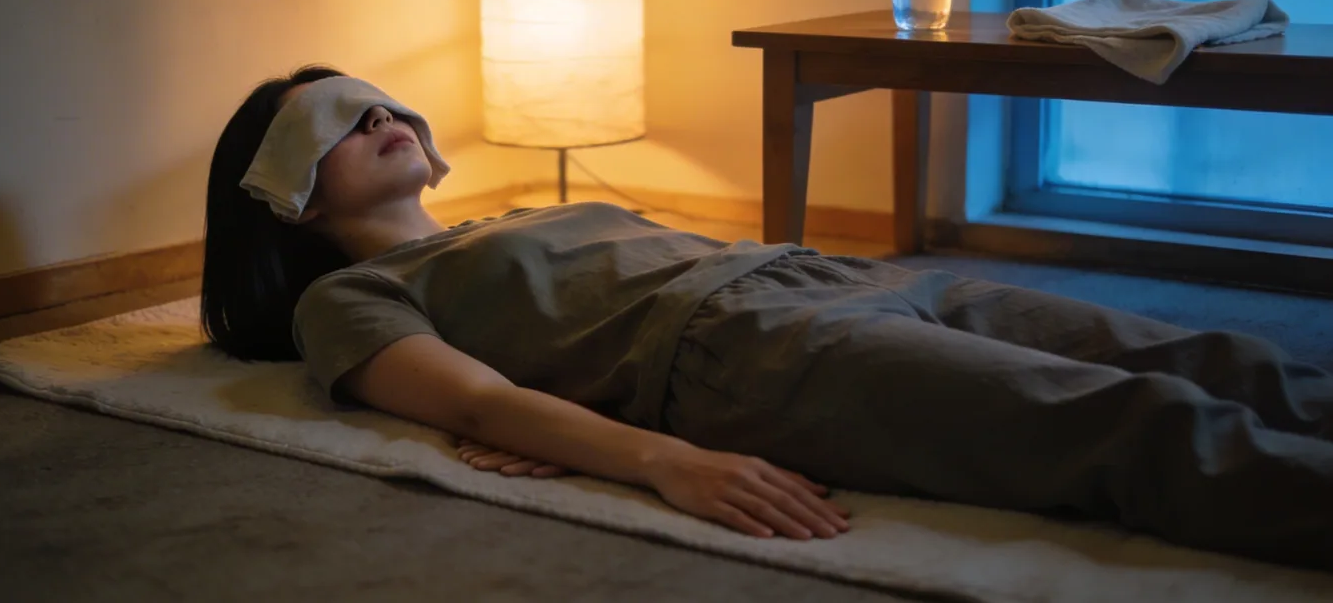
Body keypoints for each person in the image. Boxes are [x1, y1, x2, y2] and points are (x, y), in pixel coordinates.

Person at [202, 66, 1333, 571]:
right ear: (285, 195)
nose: (387, 116)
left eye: (387, 102)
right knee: (1123, 419)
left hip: (834, 274)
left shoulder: (511, 213)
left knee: (1210, 349)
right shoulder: (342, 300)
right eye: (346, 123)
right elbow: (484, 398)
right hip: (755, 354)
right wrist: (662, 459)